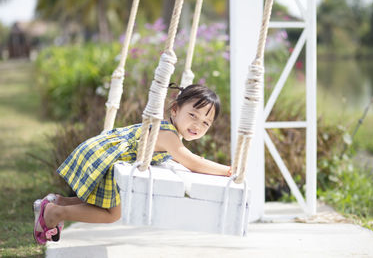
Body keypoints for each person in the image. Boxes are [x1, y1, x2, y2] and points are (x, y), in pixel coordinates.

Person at [33, 84, 231, 245]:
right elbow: (190, 161)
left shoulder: (169, 132)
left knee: (100, 206)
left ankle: (58, 202)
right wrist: (228, 170)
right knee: (111, 214)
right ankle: (55, 212)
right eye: (193, 115)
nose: (197, 125)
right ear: (175, 109)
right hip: (111, 159)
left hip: (107, 153)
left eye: (206, 123)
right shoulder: (168, 135)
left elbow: (184, 156)